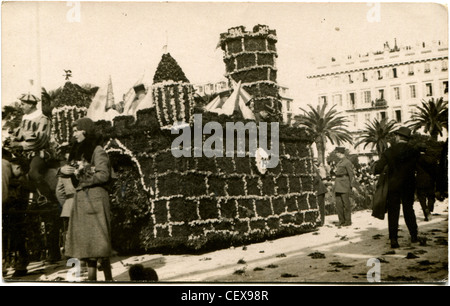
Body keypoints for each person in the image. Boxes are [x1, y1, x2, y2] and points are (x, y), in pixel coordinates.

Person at [60, 117, 113, 281]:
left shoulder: (98, 150)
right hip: (82, 199)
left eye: (76, 130)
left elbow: (104, 175)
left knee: (98, 243)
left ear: (84, 131)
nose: (74, 134)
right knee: (88, 245)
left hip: (96, 199)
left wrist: (83, 175)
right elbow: (71, 173)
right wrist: (64, 170)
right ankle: (97, 279)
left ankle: (105, 279)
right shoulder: (78, 152)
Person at [374, 126, 420, 248]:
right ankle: (414, 235)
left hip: (393, 185)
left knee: (393, 211)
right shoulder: (414, 151)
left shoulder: (389, 151)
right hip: (408, 184)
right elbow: (419, 168)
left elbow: (378, 169)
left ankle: (394, 239)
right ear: (408, 138)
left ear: (398, 137)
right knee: (408, 209)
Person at [2, 156, 31, 277]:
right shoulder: (4, 169)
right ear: (18, 167)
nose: (18, 177)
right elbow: (2, 194)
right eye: (20, 173)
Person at [333, 147, 357, 227]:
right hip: (338, 184)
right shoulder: (339, 162)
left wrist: (352, 185)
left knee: (346, 204)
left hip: (344, 184)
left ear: (340, 153)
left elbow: (351, 174)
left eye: (336, 152)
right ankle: (341, 220)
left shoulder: (347, 162)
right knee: (338, 204)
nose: (336, 154)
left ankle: (348, 221)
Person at [415, 147, 438, 221]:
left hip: (420, 181)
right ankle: (430, 209)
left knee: (422, 198)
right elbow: (435, 170)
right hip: (430, 181)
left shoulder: (416, 159)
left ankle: (425, 210)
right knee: (431, 196)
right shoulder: (431, 159)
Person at [313, 158, 328, 226]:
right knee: (321, 205)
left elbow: (316, 179)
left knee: (320, 205)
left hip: (319, 189)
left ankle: (321, 221)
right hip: (319, 188)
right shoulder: (315, 167)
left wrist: (312, 185)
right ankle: (321, 221)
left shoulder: (313, 168)